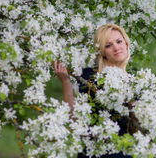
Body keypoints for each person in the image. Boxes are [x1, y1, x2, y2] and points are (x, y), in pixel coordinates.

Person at [54, 23, 132, 158]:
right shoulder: (89, 77)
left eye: (119, 41)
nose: (116, 47)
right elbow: (72, 117)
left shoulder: (137, 83)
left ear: (126, 43)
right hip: (94, 152)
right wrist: (66, 82)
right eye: (108, 45)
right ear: (102, 51)